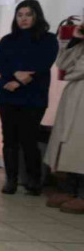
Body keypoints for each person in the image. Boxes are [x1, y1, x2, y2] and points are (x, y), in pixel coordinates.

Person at [0, 0, 59, 195]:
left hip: (34, 97)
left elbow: (43, 63)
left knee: (28, 139)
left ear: (36, 16)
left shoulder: (47, 39)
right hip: (7, 95)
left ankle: (33, 180)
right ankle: (11, 180)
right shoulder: (8, 40)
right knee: (9, 139)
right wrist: (16, 76)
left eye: (28, 14)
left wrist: (21, 81)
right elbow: (0, 63)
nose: (23, 19)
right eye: (20, 15)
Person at [44, 22, 84, 213]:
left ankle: (82, 194)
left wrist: (72, 70)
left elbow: (76, 71)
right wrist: (75, 40)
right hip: (74, 95)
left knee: (80, 146)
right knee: (68, 144)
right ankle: (70, 190)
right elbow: (63, 64)